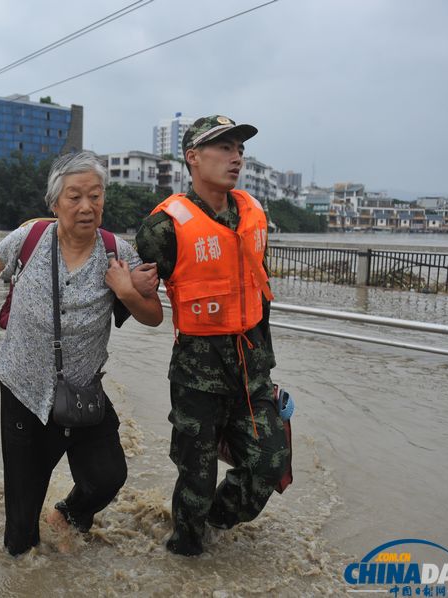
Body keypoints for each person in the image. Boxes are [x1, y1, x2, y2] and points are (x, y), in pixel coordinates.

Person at [0, 151, 163, 556]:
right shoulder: (28, 240)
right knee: (20, 534)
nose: (87, 207)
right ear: (55, 202)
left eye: (95, 197)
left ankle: (68, 513)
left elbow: (153, 317)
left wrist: (127, 290)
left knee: (108, 476)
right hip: (23, 393)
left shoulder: (118, 253)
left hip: (81, 394)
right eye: (75, 197)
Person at [134, 115, 289, 556]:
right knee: (196, 479)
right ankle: (186, 551)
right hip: (196, 376)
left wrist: (267, 361)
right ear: (193, 158)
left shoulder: (254, 214)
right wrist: (131, 289)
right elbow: (135, 302)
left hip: (251, 370)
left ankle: (216, 525)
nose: (236, 156)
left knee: (270, 463)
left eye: (239, 148)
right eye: (223, 147)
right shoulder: (163, 227)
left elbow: (257, 287)